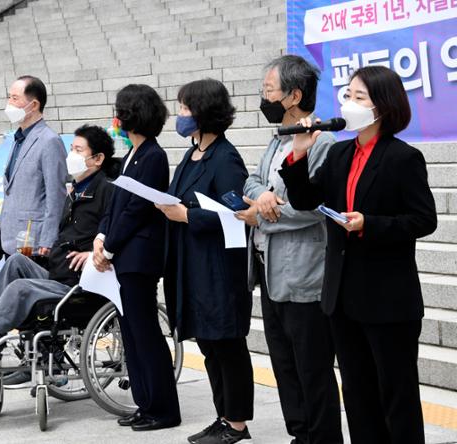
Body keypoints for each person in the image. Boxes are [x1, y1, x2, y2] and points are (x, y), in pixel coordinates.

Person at [279, 66, 437, 444]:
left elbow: (422, 220)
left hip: (387, 298)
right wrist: (298, 156)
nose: (349, 103)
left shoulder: (403, 157)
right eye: (348, 95)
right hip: (343, 296)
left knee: (395, 395)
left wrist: (369, 224)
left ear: (382, 106)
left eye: (359, 97)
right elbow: (304, 200)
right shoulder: (338, 154)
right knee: (358, 393)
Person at [0, 125, 115, 355]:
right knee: (15, 261)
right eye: (71, 149)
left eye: (78, 150)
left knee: (21, 288)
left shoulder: (107, 191)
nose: (71, 155)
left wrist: (93, 254)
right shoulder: (75, 190)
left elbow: (112, 233)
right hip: (59, 272)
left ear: (98, 159)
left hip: (78, 284)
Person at [238, 56, 343, 444]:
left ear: (294, 95)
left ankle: (322, 437)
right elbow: (250, 179)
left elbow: (315, 207)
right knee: (284, 366)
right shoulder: (278, 137)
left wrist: (264, 215)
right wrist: (262, 196)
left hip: (304, 275)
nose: (263, 98)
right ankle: (300, 434)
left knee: (312, 368)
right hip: (270, 272)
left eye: (268, 91)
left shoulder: (322, 140)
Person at [157, 79, 253, 444]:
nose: (180, 116)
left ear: (204, 111)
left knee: (227, 343)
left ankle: (238, 423)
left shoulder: (225, 157)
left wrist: (187, 216)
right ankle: (223, 416)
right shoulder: (192, 152)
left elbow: (236, 209)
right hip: (190, 263)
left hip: (217, 267)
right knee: (209, 345)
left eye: (184, 109)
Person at [93, 84, 181, 432]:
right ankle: (146, 403)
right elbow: (116, 205)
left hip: (138, 257)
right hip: (124, 255)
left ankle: (164, 408)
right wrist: (102, 237)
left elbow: (137, 210)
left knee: (145, 334)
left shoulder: (153, 156)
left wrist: (110, 245)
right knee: (130, 334)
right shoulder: (133, 153)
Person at [0, 75, 67, 257]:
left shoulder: (49, 141)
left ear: (34, 105)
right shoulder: (18, 138)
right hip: (10, 238)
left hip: (33, 241)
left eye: (15, 98)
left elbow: (56, 195)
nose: (9, 104)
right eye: (9, 97)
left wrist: (48, 238)